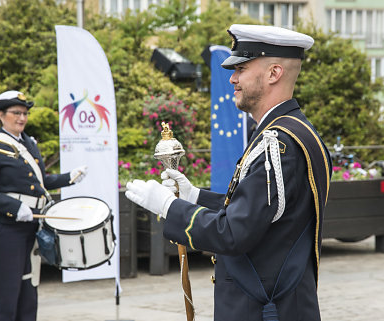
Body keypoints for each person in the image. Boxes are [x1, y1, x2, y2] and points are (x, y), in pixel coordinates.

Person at [126, 24, 332, 321]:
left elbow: (233, 234)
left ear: (274, 73)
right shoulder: (293, 131)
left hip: (262, 311)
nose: (233, 78)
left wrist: (169, 207)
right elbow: (262, 213)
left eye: (242, 68)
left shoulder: (279, 143)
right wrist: (195, 197)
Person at [0, 90, 88, 321]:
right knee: (7, 291)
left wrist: (69, 178)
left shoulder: (29, 144)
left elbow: (40, 183)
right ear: (1, 115)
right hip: (8, 228)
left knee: (29, 287)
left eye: (25, 113)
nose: (22, 118)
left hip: (33, 224)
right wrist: (14, 207)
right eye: (16, 113)